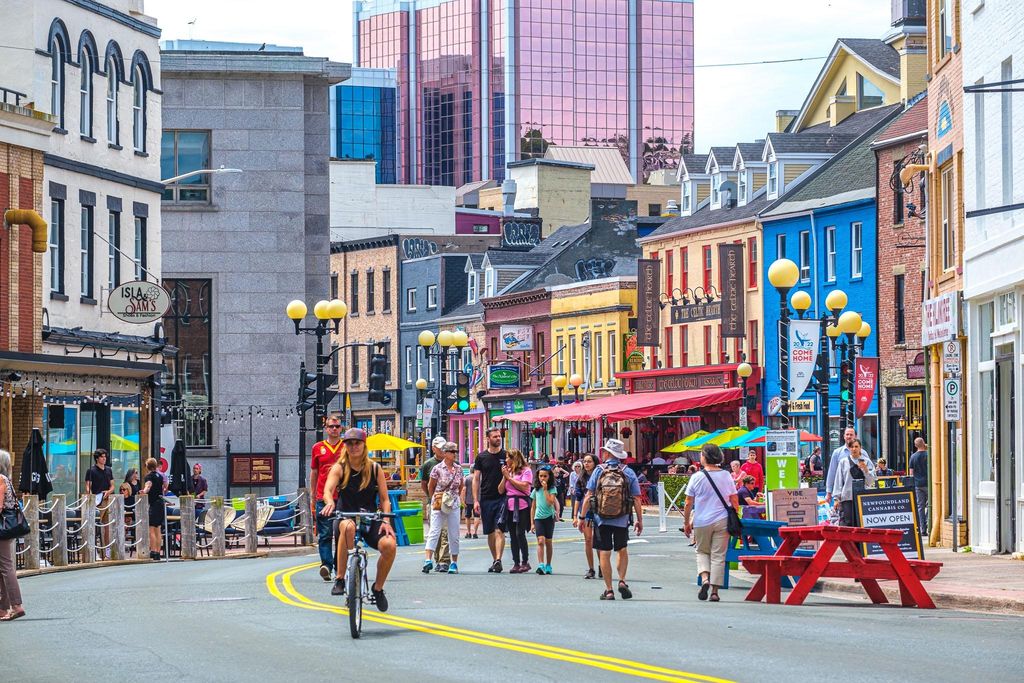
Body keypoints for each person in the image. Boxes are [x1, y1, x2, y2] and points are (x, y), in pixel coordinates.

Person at [320, 428, 397, 611]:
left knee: (390, 545)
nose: (354, 447)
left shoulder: (374, 468)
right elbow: (327, 491)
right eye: (349, 443)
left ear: (364, 445)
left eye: (357, 443)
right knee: (348, 527)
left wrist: (386, 520)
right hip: (345, 516)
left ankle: (378, 589)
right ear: (345, 446)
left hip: (370, 517)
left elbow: (385, 499)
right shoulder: (339, 468)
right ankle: (340, 578)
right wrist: (329, 502)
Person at [580, 439, 643, 601]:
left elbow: (589, 495)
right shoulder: (628, 472)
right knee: (621, 549)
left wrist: (581, 517)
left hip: (601, 518)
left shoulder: (599, 470)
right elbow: (636, 498)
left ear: (607, 453)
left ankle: (609, 590)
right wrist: (639, 520)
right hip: (622, 518)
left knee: (605, 553)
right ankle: (622, 581)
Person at [682, 443, 739, 603]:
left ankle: (705, 579)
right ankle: (714, 591)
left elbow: (688, 502)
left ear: (705, 457)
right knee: (719, 556)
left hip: (701, 521)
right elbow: (734, 499)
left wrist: (687, 522)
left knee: (701, 552)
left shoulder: (696, 477)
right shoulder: (726, 475)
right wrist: (735, 513)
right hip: (722, 520)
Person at [310, 415, 345, 582]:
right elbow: (314, 472)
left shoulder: (346, 447)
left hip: (343, 497)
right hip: (322, 496)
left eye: (337, 426)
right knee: (324, 533)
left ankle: (340, 565)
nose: (334, 429)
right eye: (331, 426)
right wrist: (312, 494)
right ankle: (326, 565)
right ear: (326, 428)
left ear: (341, 428)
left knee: (341, 533)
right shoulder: (318, 448)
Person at [423, 442, 464, 574]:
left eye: (456, 451)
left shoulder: (459, 469)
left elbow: (461, 485)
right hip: (439, 501)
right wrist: (434, 498)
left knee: (454, 533)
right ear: (445, 453)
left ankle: (454, 562)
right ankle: (428, 560)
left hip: (453, 502)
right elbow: (431, 485)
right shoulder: (437, 468)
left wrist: (455, 497)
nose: (455, 454)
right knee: (434, 530)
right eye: (452, 451)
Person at [473, 427, 507, 573]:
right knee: (490, 532)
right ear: (488, 439)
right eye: (494, 437)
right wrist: (475, 500)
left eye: (499, 436)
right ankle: (495, 560)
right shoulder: (481, 457)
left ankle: (499, 559)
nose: (498, 439)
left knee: (499, 529)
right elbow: (476, 479)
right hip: (486, 498)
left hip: (503, 497)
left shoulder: (506, 455)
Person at [0, 449, 25, 621]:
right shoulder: (7, 480)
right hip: (7, 527)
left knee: (6, 566)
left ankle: (16, 605)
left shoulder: (0, 480)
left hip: (1, 527)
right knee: (3, 567)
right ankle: (2, 608)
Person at [421, 435, 452, 571]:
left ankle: (444, 560)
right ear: (434, 448)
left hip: (447, 502)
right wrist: (430, 496)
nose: (442, 450)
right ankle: (437, 558)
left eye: (444, 448)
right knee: (436, 531)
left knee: (445, 530)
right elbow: (424, 484)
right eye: (440, 448)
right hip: (434, 501)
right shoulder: (428, 464)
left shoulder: (450, 462)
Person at [500, 449, 534, 573]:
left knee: (520, 533)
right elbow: (500, 490)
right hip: (509, 505)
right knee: (513, 535)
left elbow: (524, 487)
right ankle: (516, 562)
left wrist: (509, 478)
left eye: (508, 458)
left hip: (522, 505)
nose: (506, 460)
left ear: (514, 458)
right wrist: (505, 477)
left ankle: (525, 561)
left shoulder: (526, 471)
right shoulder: (509, 472)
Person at [825, 428, 875, 505]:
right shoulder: (837, 453)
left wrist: (865, 469)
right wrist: (829, 492)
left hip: (862, 494)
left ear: (855, 436)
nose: (849, 436)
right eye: (847, 434)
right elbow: (832, 473)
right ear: (844, 436)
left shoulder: (864, 453)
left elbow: (871, 477)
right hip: (846, 495)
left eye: (851, 434)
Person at [832, 439, 876, 526]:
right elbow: (838, 480)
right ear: (849, 448)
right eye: (852, 447)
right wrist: (836, 498)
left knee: (862, 523)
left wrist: (866, 470)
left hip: (863, 497)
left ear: (860, 448)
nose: (854, 449)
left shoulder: (867, 461)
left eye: (856, 446)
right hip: (847, 497)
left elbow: (871, 481)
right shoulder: (843, 462)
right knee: (848, 523)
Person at [572, 454, 600, 579]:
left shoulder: (600, 476)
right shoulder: (581, 478)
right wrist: (575, 516)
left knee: (599, 541)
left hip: (599, 511)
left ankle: (602, 566)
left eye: (589, 461)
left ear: (595, 463)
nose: (587, 464)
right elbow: (578, 498)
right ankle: (591, 568)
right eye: (585, 461)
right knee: (588, 540)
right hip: (586, 512)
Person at [85, 449, 115, 559]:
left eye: (105, 457)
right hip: (97, 500)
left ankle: (107, 549)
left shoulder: (108, 470)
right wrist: (90, 495)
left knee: (107, 525)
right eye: (102, 457)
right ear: (97, 458)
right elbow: (88, 485)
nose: (104, 458)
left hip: (107, 498)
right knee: (96, 525)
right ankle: (96, 549)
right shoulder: (91, 471)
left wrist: (109, 491)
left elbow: (112, 485)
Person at [531, 465, 560, 574]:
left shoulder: (552, 489)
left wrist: (545, 489)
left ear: (549, 477)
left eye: (545, 476)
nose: (542, 478)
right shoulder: (535, 490)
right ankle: (541, 564)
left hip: (549, 518)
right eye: (541, 476)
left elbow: (550, 502)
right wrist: (532, 523)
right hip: (538, 517)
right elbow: (533, 507)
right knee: (540, 540)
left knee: (548, 541)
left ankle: (548, 564)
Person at [139, 458, 165, 561]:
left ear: (147, 466)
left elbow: (148, 485)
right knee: (158, 529)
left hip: (153, 504)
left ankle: (153, 551)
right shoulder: (159, 476)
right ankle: (158, 552)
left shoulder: (149, 476)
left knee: (151, 529)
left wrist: (144, 491)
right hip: (160, 503)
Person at [908, 437, 929, 535]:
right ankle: (929, 522)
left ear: (915, 445)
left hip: (918, 485)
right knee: (930, 505)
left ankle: (923, 529)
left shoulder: (913, 457)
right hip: (929, 484)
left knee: (920, 506)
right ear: (924, 443)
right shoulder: (928, 455)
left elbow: (911, 473)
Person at [463, 470, 479, 539]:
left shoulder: (467, 478)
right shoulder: (479, 478)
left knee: (467, 517)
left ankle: (469, 533)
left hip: (468, 500)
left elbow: (464, 490)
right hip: (477, 500)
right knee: (477, 516)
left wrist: (463, 500)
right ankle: (475, 533)